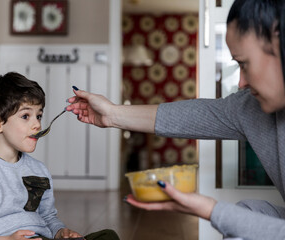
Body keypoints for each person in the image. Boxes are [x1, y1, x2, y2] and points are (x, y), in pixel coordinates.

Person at [65, 0, 285, 239]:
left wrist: (210, 210)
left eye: (244, 63)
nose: (241, 82)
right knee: (249, 213)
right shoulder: (250, 109)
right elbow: (195, 116)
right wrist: (111, 114)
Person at [0, 72, 120, 240]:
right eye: (26, 116)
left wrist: (60, 231)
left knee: (108, 236)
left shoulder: (39, 169)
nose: (37, 124)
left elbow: (48, 217)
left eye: (39, 115)